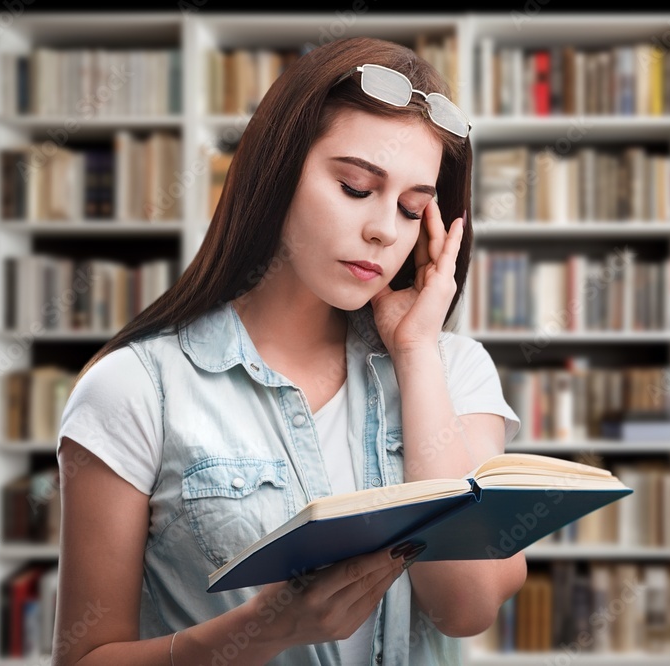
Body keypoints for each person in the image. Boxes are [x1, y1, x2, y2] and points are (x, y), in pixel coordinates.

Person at [52, 36, 526, 666]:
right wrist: (262, 632)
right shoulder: (136, 388)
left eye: (413, 208)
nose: (385, 229)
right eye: (356, 188)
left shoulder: (453, 371)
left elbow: (465, 610)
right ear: (276, 175)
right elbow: (83, 658)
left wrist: (414, 354)